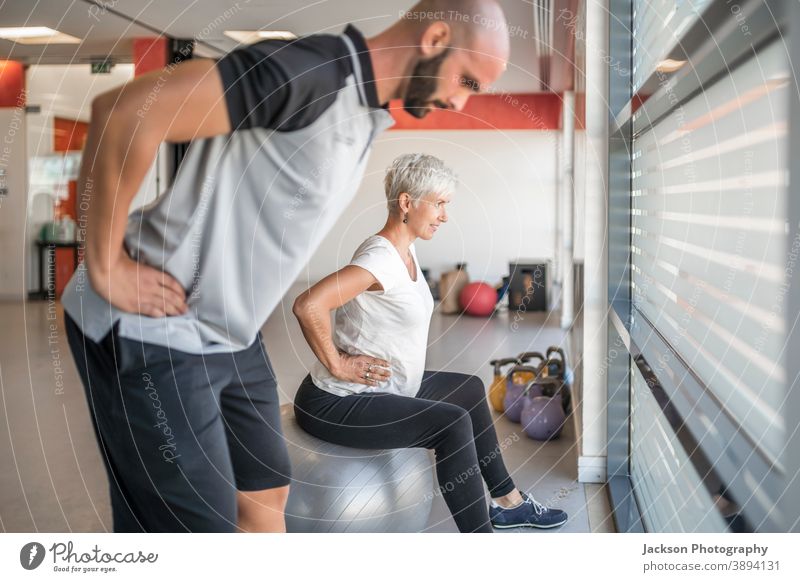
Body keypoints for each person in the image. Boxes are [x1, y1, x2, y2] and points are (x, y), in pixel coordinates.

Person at [62, 0, 511, 533]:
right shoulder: (312, 71)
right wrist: (105, 262)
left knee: (266, 493)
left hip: (232, 332)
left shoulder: (366, 115)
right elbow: (128, 109)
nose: (459, 100)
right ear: (435, 39)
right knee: (192, 528)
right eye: (466, 80)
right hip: (158, 324)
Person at [292, 154, 568, 532]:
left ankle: (509, 502)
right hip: (338, 401)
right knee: (450, 424)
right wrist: (338, 364)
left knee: (470, 389)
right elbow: (309, 305)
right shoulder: (379, 259)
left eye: (445, 205)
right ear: (407, 203)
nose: (444, 215)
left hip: (389, 385)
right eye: (438, 204)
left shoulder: (406, 250)